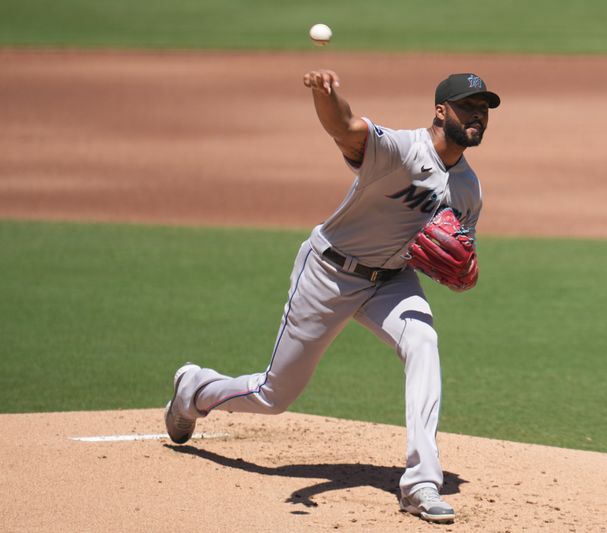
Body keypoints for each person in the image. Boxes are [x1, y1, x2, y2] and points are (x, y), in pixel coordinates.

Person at [165, 69, 500, 523]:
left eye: (483, 109)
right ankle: (194, 389)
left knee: (423, 342)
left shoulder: (468, 188)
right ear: (441, 111)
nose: (477, 116)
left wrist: (463, 270)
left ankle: (421, 483)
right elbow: (346, 128)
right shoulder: (401, 149)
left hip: (392, 281)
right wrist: (327, 95)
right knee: (274, 395)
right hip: (329, 272)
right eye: (468, 107)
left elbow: (462, 254)